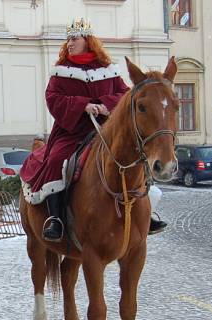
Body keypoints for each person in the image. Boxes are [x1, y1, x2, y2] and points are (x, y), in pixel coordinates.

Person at [20, 18, 166, 242]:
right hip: (72, 132)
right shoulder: (60, 73)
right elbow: (53, 99)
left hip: (105, 130)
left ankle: (145, 214)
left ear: (87, 41)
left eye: (74, 38)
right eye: (68, 39)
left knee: (136, 157)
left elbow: (125, 95)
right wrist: (82, 106)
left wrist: (104, 105)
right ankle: (56, 219)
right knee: (57, 160)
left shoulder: (108, 70)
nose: (70, 43)